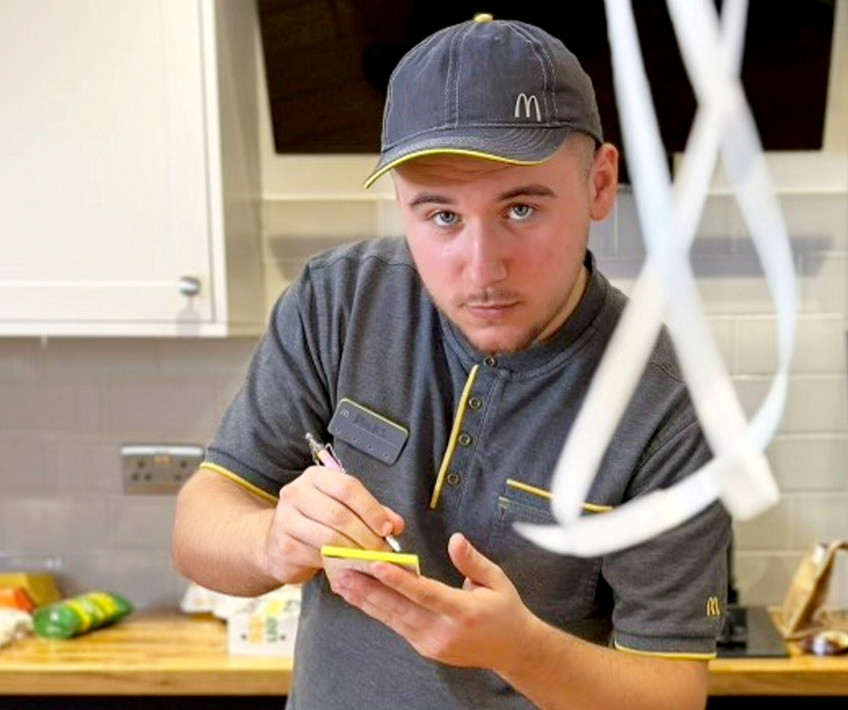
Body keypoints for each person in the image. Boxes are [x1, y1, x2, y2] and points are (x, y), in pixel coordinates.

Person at [172, 13, 730, 710]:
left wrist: (518, 649)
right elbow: (202, 522)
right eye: (440, 216)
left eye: (522, 209)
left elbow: (671, 694)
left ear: (599, 183)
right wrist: (273, 542)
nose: (480, 269)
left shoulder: (668, 404)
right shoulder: (336, 303)